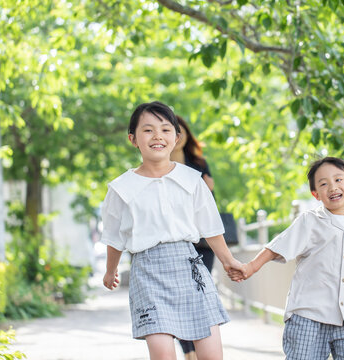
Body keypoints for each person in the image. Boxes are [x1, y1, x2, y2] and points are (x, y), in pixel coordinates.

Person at [101, 101, 245, 360]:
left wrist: (228, 261)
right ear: (133, 139)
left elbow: (210, 227)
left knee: (212, 354)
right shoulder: (121, 188)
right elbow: (114, 236)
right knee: (163, 353)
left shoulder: (192, 180)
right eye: (148, 130)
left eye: (166, 129)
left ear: (177, 137)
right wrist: (110, 270)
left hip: (190, 268)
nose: (157, 136)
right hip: (148, 273)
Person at [230, 157, 344, 360]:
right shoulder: (310, 221)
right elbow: (278, 247)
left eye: (339, 180)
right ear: (316, 194)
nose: (332, 187)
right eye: (323, 184)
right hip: (308, 315)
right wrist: (251, 267)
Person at [170, 115, 216, 360]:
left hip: (203, 243)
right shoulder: (159, 166)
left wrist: (207, 190)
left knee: (199, 294)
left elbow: (210, 206)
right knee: (180, 296)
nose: (176, 136)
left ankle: (198, 349)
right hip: (176, 243)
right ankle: (188, 351)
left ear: (186, 134)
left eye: (180, 131)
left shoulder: (199, 163)